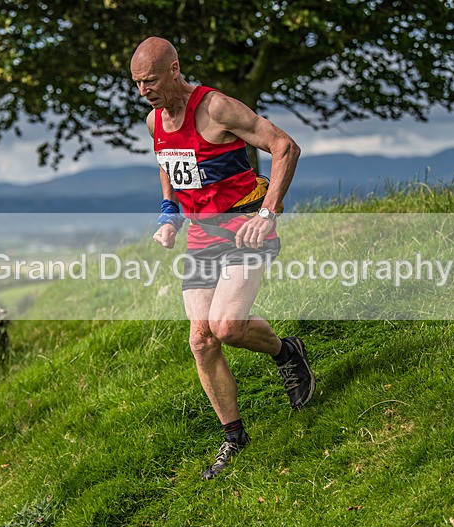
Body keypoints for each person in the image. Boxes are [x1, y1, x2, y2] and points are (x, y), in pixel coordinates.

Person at [130, 37, 315, 480]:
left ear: (174, 70)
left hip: (245, 229)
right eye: (136, 84)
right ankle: (234, 437)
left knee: (227, 327)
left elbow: (285, 147)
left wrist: (268, 213)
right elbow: (167, 163)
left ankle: (287, 352)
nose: (143, 91)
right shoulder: (156, 120)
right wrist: (169, 214)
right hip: (201, 237)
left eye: (150, 81)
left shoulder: (215, 109)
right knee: (201, 339)